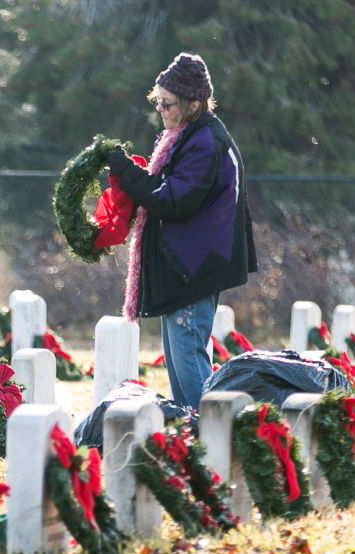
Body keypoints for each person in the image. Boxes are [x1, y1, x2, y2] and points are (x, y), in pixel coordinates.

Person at [107, 53, 256, 414]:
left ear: (193, 103)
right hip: (187, 266)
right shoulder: (190, 135)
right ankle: (192, 435)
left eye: (167, 103)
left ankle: (209, 440)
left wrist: (128, 173)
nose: (160, 109)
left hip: (195, 267)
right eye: (157, 101)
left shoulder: (205, 141)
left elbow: (173, 200)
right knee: (178, 360)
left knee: (188, 358)